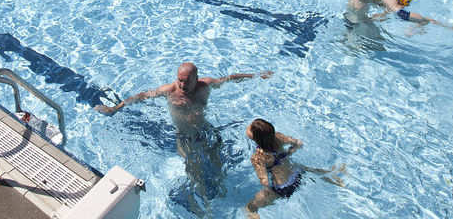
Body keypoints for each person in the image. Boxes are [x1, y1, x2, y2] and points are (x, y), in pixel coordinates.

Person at [95, 63, 272, 199]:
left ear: (196, 78)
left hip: (206, 130)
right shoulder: (170, 90)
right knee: (193, 171)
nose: (182, 84)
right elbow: (140, 96)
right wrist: (115, 108)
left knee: (217, 162)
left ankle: (222, 187)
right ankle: (203, 201)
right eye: (179, 79)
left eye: (186, 81)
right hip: (185, 137)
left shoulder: (206, 85)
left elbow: (230, 78)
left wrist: (256, 75)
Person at [244, 118, 344, 218]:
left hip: (282, 187)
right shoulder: (278, 136)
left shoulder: (258, 157)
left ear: (257, 138)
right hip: (296, 173)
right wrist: (288, 153)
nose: (248, 126)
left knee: (252, 205)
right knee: (309, 169)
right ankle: (333, 177)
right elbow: (298, 143)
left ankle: (252, 212)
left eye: (250, 128)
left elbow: (265, 182)